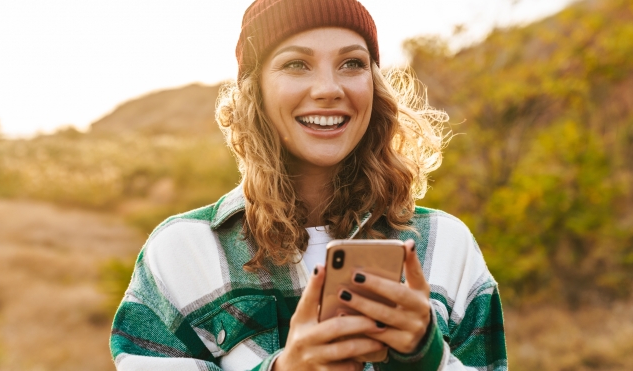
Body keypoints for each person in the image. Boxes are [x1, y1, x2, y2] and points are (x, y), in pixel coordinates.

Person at [109, 0, 508, 370]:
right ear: (256, 91)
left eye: (352, 63)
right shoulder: (182, 254)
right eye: (297, 64)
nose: (329, 89)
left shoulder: (446, 245)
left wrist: (428, 358)